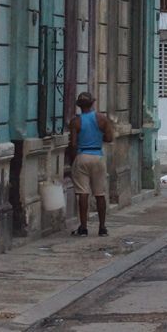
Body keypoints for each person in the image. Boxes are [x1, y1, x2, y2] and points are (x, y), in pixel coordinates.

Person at [67, 92, 115, 237]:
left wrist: (73, 160)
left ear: (79, 106)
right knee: (100, 194)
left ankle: (83, 227)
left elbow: (73, 144)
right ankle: (102, 227)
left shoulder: (75, 121)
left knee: (83, 193)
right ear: (93, 103)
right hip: (97, 156)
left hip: (82, 156)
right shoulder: (102, 119)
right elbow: (109, 138)